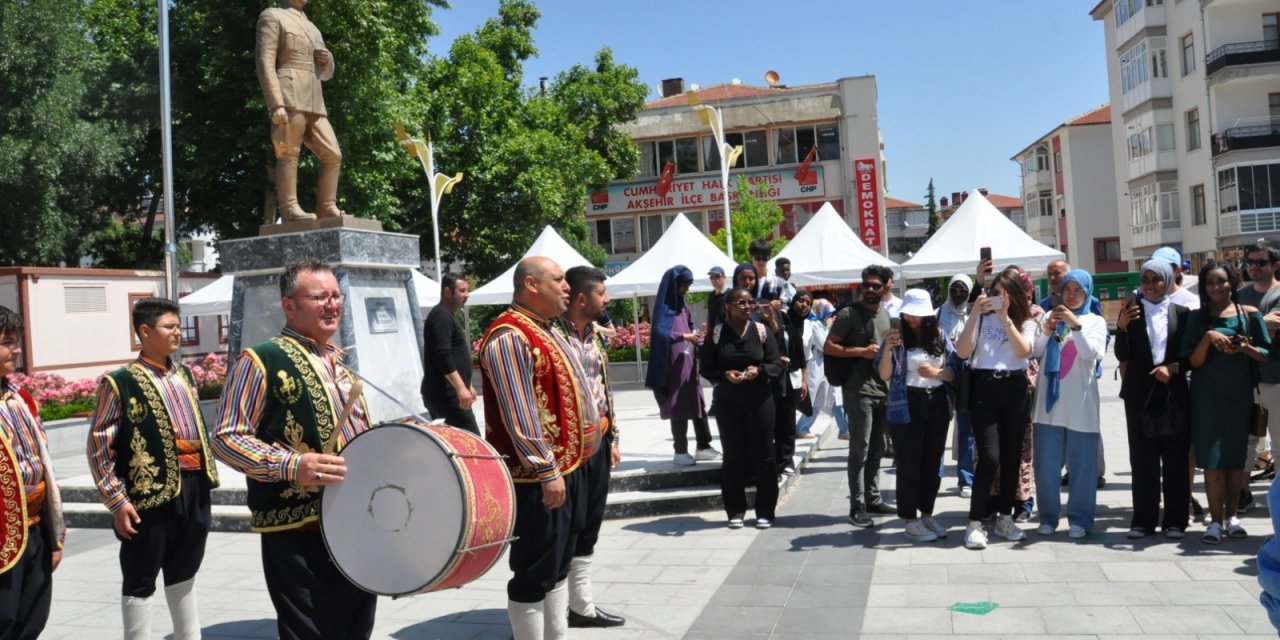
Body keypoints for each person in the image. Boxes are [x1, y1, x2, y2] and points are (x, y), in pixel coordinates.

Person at [212, 260, 375, 639]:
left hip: (354, 519)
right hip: (298, 525)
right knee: (311, 631)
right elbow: (226, 437)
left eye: (336, 296)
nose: (332, 304)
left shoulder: (341, 366)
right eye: (320, 297)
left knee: (355, 626)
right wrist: (291, 465)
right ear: (289, 305)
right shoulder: (261, 360)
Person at [480, 256, 601, 640]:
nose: (567, 286)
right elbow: (520, 413)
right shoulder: (510, 335)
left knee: (558, 564)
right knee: (534, 570)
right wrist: (546, 470)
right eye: (559, 279)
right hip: (537, 477)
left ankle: (557, 634)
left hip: (568, 467)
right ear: (531, 285)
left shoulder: (545, 329)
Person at [88, 298, 220, 639]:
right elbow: (100, 446)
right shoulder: (119, 382)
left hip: (194, 485)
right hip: (149, 492)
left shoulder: (185, 374)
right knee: (140, 575)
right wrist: (116, 500)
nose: (177, 332)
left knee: (185, 570)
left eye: (178, 325)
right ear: (145, 331)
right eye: (169, 326)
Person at [554, 267, 625, 629]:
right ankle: (551, 611)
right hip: (566, 450)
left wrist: (613, 437)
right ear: (583, 298)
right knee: (567, 526)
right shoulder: (552, 336)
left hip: (598, 441)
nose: (607, 299)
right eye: (602, 292)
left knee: (591, 524)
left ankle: (582, 606)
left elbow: (604, 386)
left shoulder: (596, 335)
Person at [1181, 260, 1271, 544]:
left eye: (1221, 281)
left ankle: (1233, 517)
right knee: (1211, 459)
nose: (1216, 287)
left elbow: (1266, 354)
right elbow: (1191, 362)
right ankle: (1215, 522)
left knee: (1235, 459)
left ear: (1232, 282)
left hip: (1239, 395)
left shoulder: (1249, 314)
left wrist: (1246, 347)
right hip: (1206, 397)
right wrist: (1209, 337)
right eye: (1210, 283)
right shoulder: (1197, 318)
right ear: (1203, 288)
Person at [955, 266, 1039, 549]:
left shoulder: (1026, 320)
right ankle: (975, 523)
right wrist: (975, 315)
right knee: (990, 456)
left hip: (1015, 388)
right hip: (984, 388)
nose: (997, 300)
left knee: (1012, 456)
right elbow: (963, 352)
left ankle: (1005, 517)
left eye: (1003, 295)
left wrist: (1005, 319)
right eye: (994, 294)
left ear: (1015, 295)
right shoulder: (979, 318)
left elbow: (1024, 351)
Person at [1115, 259, 1191, 539]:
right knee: (1143, 458)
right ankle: (1143, 521)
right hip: (1139, 394)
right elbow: (1122, 354)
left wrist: (1173, 368)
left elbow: (1189, 355)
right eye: (1145, 279)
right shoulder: (1131, 312)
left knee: (1175, 457)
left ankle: (1175, 520)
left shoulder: (1181, 313)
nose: (1149, 285)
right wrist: (1121, 327)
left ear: (1166, 280)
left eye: (1155, 279)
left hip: (1172, 391)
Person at [875, 289, 959, 542]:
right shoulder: (896, 337)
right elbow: (884, 375)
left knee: (933, 463)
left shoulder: (940, 335)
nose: (910, 318)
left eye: (916, 314)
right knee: (909, 463)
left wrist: (938, 372)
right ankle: (910, 519)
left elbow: (955, 368)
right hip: (906, 402)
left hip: (937, 402)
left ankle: (927, 514)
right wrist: (888, 349)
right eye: (907, 313)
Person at [0, 306, 63, 639]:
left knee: (32, 618)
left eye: (18, 341)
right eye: (8, 342)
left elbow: (44, 465)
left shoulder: (20, 398)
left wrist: (53, 534)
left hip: (35, 527)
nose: (17, 349)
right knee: (4, 619)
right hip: (2, 533)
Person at [1031, 270, 1107, 538]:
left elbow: (1090, 354)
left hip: (1081, 406)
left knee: (1083, 467)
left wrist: (1076, 326)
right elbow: (1036, 352)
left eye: (1078, 290)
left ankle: (1080, 518)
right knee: (1046, 467)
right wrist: (1047, 330)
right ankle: (1048, 517)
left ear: (1087, 293)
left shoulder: (1095, 321)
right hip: (1048, 407)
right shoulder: (1049, 317)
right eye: (1067, 289)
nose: (1071, 295)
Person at [701, 287, 783, 529]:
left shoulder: (761, 330)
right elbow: (706, 367)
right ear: (729, 306)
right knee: (733, 455)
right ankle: (735, 511)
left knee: (765, 455)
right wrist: (725, 374)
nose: (747, 307)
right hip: (728, 403)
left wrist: (760, 370)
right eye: (741, 303)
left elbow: (776, 364)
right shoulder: (716, 334)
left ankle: (765, 511)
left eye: (750, 303)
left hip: (760, 401)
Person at [255, 0, 344, 222]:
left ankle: (326, 206)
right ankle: (290, 208)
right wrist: (276, 103)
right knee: (288, 152)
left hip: (314, 97)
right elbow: (264, 62)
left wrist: (327, 60)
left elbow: (326, 73)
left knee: (333, 154)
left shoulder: (312, 27)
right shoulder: (272, 16)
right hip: (289, 93)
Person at [825, 266, 894, 528]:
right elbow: (829, 346)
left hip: (882, 390)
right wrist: (861, 352)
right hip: (858, 391)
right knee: (860, 450)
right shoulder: (849, 314)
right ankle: (857, 505)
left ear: (886, 286)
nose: (871, 289)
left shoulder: (885, 314)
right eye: (867, 284)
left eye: (876, 285)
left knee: (877, 448)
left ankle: (873, 498)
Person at [646, 266, 720, 467]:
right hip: (672, 366)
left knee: (697, 402)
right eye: (683, 286)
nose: (686, 289)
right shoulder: (664, 307)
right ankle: (680, 450)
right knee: (678, 405)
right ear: (674, 285)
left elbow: (690, 324)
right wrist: (683, 336)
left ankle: (704, 445)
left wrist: (696, 335)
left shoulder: (682, 305)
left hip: (688, 361)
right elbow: (660, 334)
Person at [1237, 240, 1280, 508]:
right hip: (1246, 380)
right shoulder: (1240, 295)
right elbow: (1230, 328)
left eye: (1260, 262)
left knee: (1278, 445)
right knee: (1246, 442)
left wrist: (1247, 326)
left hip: (1275, 380)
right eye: (1249, 262)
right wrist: (1261, 322)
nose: (1253, 267)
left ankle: (1276, 503)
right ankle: (1242, 495)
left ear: (1275, 265)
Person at [420, 273, 480, 435]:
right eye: (462, 291)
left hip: (450, 393)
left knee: (464, 443)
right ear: (447, 292)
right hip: (446, 395)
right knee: (471, 443)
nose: (466, 295)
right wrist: (461, 388)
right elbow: (443, 356)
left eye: (467, 291)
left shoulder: (447, 316)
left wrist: (468, 385)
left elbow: (454, 355)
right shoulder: (441, 316)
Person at [939, 274, 976, 497]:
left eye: (963, 289)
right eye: (954, 289)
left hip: (967, 376)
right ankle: (934, 478)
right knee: (938, 429)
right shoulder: (938, 313)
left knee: (966, 431)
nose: (958, 293)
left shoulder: (975, 313)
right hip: (942, 374)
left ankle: (966, 480)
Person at [796, 298, 849, 440]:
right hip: (814, 367)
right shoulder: (813, 324)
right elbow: (823, 345)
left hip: (823, 367)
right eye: (827, 312)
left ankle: (845, 429)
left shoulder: (820, 324)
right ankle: (801, 428)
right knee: (814, 399)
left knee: (823, 399)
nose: (829, 316)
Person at [773, 291, 809, 475]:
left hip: (793, 377)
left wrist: (804, 381)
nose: (804, 305)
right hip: (775, 375)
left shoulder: (806, 325)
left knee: (788, 420)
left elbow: (802, 356)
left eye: (808, 302)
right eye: (801, 300)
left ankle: (786, 460)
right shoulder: (782, 318)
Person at [706, 266, 728, 337]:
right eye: (711, 277)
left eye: (717, 276)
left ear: (724, 277)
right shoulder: (711, 295)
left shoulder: (730, 294)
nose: (714, 279)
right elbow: (710, 315)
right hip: (712, 334)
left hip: (726, 334)